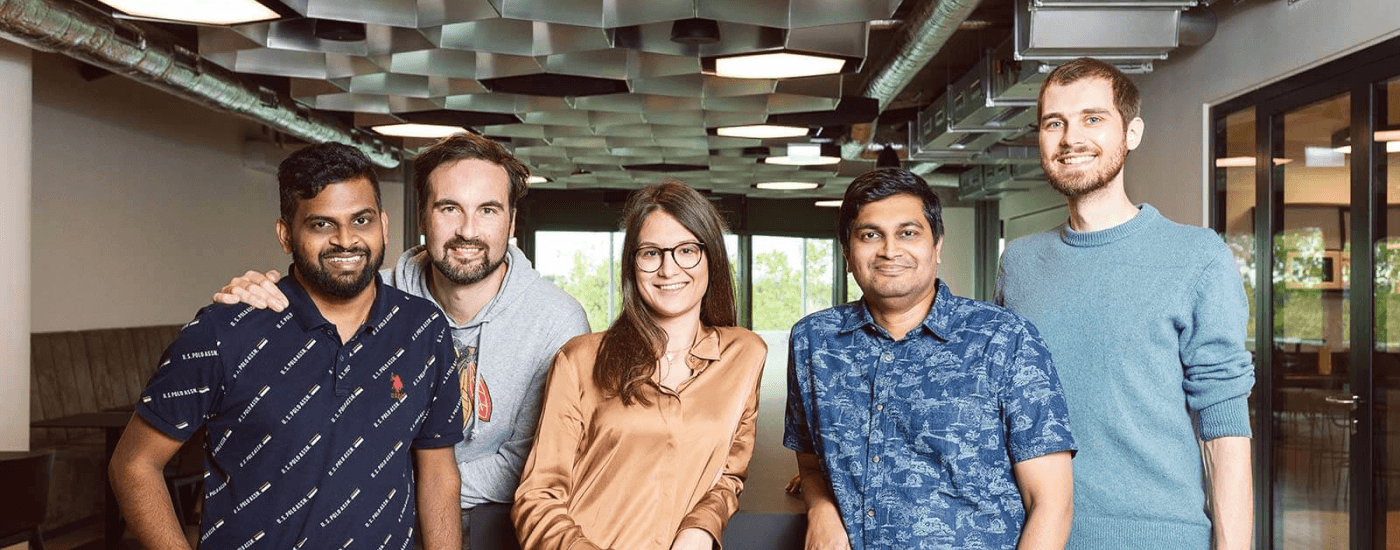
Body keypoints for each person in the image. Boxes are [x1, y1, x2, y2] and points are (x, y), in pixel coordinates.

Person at [212, 132, 591, 549]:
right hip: (363, 523)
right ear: (422, 216)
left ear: (512, 222)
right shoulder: (366, 295)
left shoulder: (557, 320)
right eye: (449, 208)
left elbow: (535, 463)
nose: (468, 230)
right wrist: (254, 296)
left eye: (488, 210)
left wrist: (391, 487)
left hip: (498, 522)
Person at [110, 142, 463, 550]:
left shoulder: (424, 330)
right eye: (321, 225)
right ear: (285, 234)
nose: (346, 240)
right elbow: (133, 464)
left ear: (383, 225)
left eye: (361, 220)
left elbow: (438, 472)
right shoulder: (223, 332)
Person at [996, 57, 1254, 549]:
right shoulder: (1020, 263)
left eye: (1093, 118)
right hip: (1035, 536)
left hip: (1160, 539)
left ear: (1131, 133)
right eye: (1054, 123)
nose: (1071, 138)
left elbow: (1223, 430)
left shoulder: (1196, 256)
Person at [785, 168, 1076, 550]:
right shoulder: (814, 342)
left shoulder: (1006, 338)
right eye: (870, 235)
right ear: (847, 253)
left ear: (937, 246)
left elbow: (1051, 505)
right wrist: (820, 508)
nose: (890, 250)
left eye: (908, 233)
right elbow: (810, 462)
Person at [512, 181, 767, 550]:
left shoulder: (745, 355)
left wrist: (701, 528)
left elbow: (729, 474)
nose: (668, 269)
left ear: (711, 257)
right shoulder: (579, 359)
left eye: (687, 250)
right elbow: (537, 498)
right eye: (651, 253)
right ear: (632, 265)